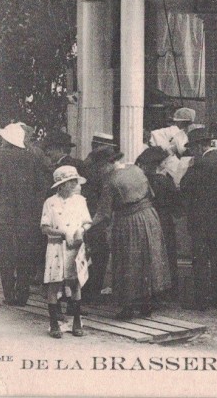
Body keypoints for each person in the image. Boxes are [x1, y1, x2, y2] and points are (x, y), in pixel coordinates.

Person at [88, 149, 171, 320]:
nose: (99, 171)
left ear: (108, 164)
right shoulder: (136, 170)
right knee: (146, 259)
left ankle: (128, 307)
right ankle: (146, 304)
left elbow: (104, 213)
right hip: (149, 217)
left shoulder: (111, 180)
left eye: (100, 167)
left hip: (128, 221)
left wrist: (87, 224)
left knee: (128, 262)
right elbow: (150, 194)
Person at [0, 122, 46, 306]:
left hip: (4, 213)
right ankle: (22, 295)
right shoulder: (32, 158)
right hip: (28, 214)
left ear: (6, 139)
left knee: (6, 254)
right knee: (25, 254)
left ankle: (9, 295)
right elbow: (41, 186)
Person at [180, 124, 217, 310]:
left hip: (199, 220)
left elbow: (184, 187)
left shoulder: (197, 166)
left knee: (200, 259)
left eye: (192, 149)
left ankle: (201, 300)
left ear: (199, 147)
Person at [40, 165, 91, 338]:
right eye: (70, 182)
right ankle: (54, 323)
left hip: (74, 248)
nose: (74, 185)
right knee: (54, 284)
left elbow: (87, 221)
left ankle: (77, 321)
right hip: (55, 247)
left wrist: (81, 231)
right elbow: (44, 228)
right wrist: (61, 233)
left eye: (75, 182)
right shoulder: (50, 202)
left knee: (74, 283)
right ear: (61, 185)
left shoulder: (80, 201)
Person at [135, 145, 182, 298]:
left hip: (146, 220)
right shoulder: (164, 180)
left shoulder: (141, 180)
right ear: (160, 163)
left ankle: (148, 290)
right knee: (167, 254)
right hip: (164, 220)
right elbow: (177, 206)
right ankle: (167, 290)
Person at [78, 145, 115, 303]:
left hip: (95, 219)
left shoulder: (96, 174)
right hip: (95, 220)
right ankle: (91, 292)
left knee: (95, 255)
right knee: (97, 255)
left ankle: (90, 291)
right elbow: (103, 207)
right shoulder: (101, 177)